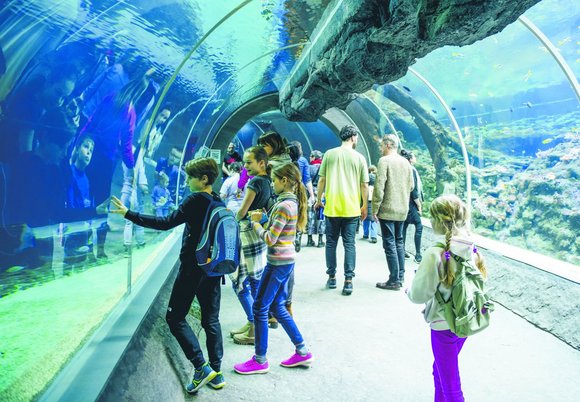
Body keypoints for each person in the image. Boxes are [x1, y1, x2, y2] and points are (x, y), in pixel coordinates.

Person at [110, 158, 226, 394]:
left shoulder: (195, 200)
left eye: (190, 177)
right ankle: (216, 371)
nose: (187, 181)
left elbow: (166, 223)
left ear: (203, 179)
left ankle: (201, 367)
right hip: (213, 269)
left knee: (175, 317)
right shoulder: (217, 200)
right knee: (211, 320)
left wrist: (129, 214)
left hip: (193, 269)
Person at [234, 163, 313, 375]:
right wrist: (265, 219)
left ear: (284, 181)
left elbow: (270, 238)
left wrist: (255, 223)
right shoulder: (290, 202)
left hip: (277, 262)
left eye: (275, 180)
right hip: (286, 261)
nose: (272, 184)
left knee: (260, 307)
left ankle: (260, 360)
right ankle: (302, 351)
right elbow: (280, 227)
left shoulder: (283, 206)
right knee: (277, 306)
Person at [407, 195, 488, 402]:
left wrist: (409, 290)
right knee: (440, 370)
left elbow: (419, 294)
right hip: (466, 319)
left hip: (443, 325)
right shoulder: (471, 247)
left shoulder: (435, 253)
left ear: (437, 221)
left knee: (451, 385)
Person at [315, 125, 369, 296]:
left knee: (331, 243)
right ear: (353, 137)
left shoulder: (329, 154)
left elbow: (322, 180)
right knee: (349, 244)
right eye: (357, 137)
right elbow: (364, 184)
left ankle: (331, 277)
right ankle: (348, 281)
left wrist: (318, 200)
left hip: (332, 208)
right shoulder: (359, 158)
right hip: (351, 209)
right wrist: (364, 206)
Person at [230, 146, 270, 345]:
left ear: (261, 163)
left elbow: (242, 211)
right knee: (254, 280)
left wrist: (232, 221)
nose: (245, 166)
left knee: (240, 281)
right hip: (257, 233)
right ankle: (251, 323)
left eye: (249, 163)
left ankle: (253, 324)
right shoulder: (268, 181)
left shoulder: (254, 182)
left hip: (246, 233)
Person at [373, 134, 414, 291]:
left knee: (389, 243)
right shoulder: (406, 163)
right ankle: (400, 276)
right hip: (402, 209)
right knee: (399, 242)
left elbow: (379, 187)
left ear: (388, 145)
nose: (380, 148)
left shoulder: (384, 161)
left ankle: (394, 280)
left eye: (381, 145)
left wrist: (375, 208)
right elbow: (411, 186)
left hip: (387, 209)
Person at [289, 141, 315, 252]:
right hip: (300, 192)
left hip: (287, 191)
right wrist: (312, 195)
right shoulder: (303, 161)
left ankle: (290, 237)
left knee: (289, 214)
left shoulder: (285, 161)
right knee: (300, 215)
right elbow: (307, 179)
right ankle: (298, 236)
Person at [401, 149, 424, 263]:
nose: (415, 158)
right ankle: (418, 254)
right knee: (419, 226)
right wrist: (419, 206)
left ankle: (402, 250)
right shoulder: (412, 170)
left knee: (404, 226)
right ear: (410, 159)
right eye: (414, 156)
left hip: (403, 202)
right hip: (412, 204)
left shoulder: (402, 169)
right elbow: (414, 190)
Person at [307, 150, 324, 247]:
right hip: (322, 193)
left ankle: (309, 240)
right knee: (321, 217)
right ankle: (320, 241)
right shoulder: (323, 167)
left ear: (314, 157)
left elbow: (307, 181)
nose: (309, 158)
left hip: (311, 194)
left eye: (311, 156)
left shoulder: (309, 168)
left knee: (310, 216)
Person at [362, 165, 378, 243]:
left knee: (365, 219)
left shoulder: (365, 186)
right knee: (374, 220)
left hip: (366, 203)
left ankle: (365, 234)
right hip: (374, 204)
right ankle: (374, 236)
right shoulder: (377, 185)